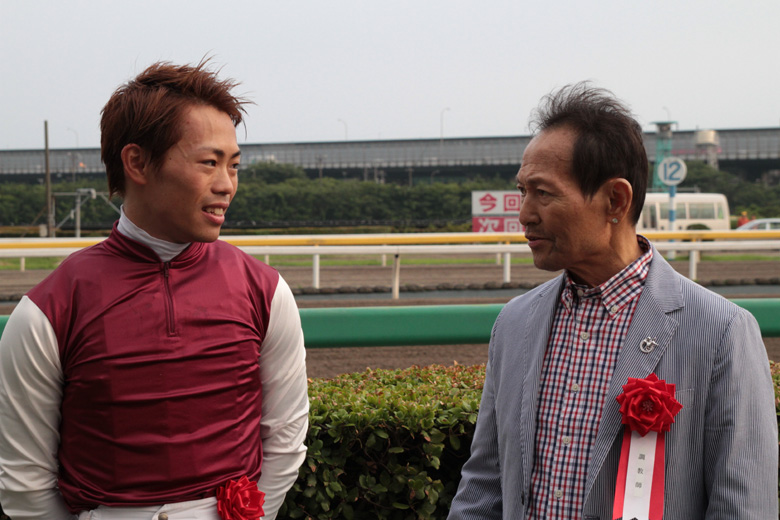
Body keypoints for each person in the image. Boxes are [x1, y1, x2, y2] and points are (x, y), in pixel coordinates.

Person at [448, 83, 777, 519]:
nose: (524, 213)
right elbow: (483, 486)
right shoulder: (514, 322)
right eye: (523, 191)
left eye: (543, 193)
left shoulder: (722, 332)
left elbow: (743, 506)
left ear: (615, 200)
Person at [0, 61, 309, 520]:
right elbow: (25, 484)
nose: (226, 185)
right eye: (209, 163)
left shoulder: (265, 289)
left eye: (234, 165)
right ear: (137, 163)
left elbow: (285, 441)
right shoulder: (47, 309)